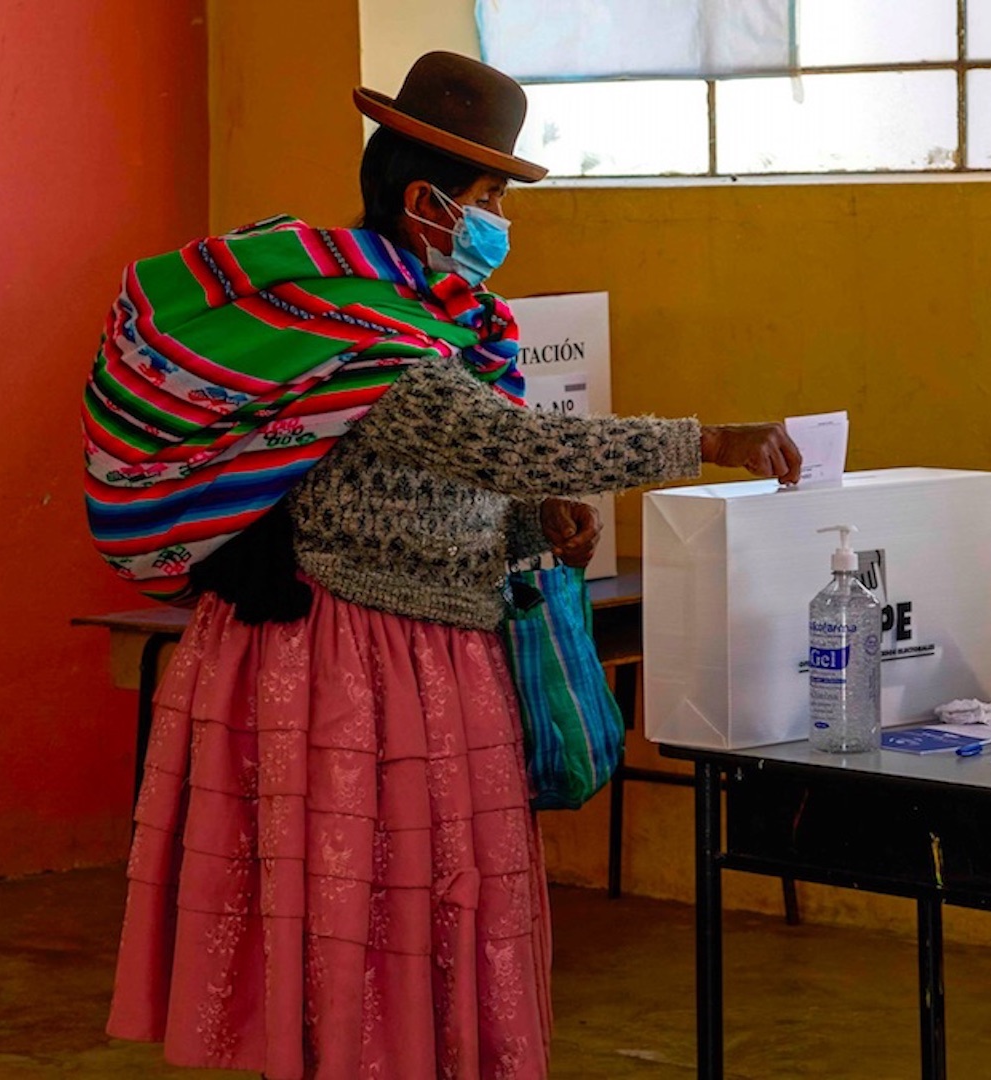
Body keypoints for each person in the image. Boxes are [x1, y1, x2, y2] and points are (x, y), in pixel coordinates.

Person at [90, 52, 801, 1079]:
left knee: (423, 896)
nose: (500, 216)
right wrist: (710, 438)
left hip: (428, 654)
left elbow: (450, 482)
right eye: (488, 196)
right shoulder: (374, 337)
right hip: (346, 661)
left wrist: (523, 531)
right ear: (425, 204)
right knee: (363, 901)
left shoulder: (447, 328)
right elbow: (516, 450)